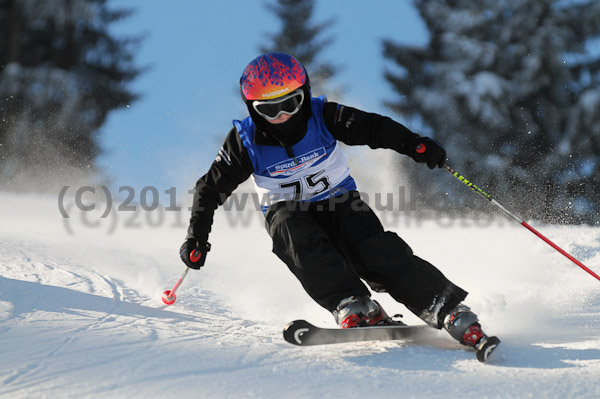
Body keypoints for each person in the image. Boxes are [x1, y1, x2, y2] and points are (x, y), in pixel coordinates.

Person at [180, 52, 494, 351]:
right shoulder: (245, 142)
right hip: (288, 211)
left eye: (291, 103)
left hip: (341, 203)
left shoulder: (324, 116)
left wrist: (414, 144)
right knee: (294, 234)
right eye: (269, 110)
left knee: (376, 251)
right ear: (253, 109)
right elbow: (209, 189)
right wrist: (197, 236)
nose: (283, 116)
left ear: (304, 94)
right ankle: (352, 303)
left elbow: (373, 128)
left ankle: (445, 306)